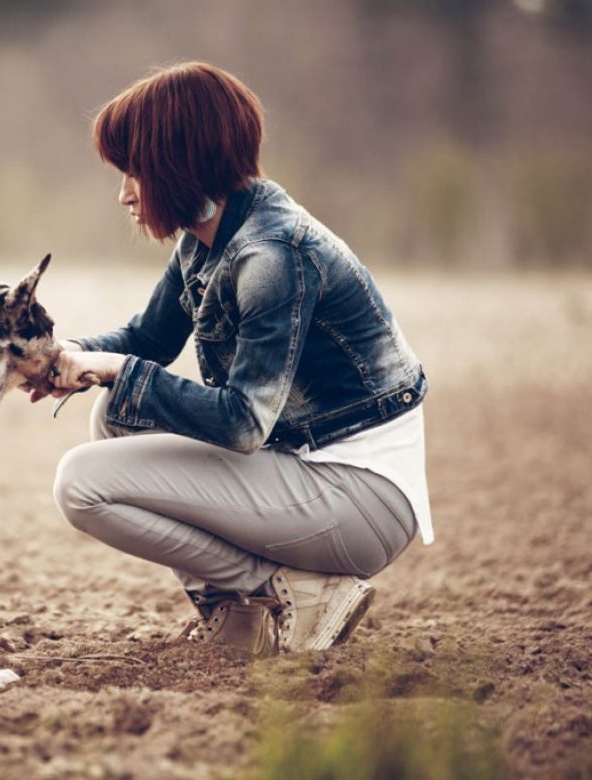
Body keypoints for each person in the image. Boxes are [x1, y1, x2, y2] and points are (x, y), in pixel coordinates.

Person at [41, 62, 433, 655]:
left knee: (80, 484)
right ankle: (242, 618)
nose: (124, 193)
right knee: (115, 418)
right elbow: (148, 340)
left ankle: (283, 593)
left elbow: (243, 424)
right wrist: (61, 356)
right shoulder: (210, 237)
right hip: (304, 470)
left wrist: (120, 372)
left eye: (135, 172)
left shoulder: (271, 255)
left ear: (181, 163)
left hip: (358, 498)